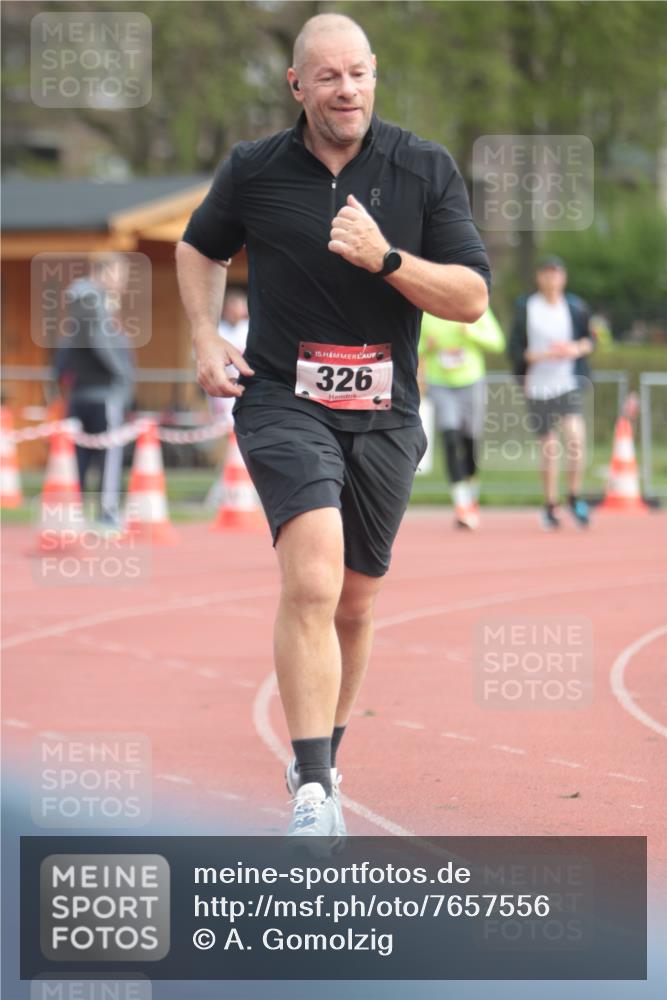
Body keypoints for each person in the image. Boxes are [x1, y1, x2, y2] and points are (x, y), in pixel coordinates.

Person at [176, 13, 490, 837]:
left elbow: (470, 297)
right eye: (327, 76)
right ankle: (313, 792)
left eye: (357, 73)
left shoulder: (423, 167)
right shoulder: (253, 170)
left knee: (353, 601)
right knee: (312, 578)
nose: (345, 89)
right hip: (283, 398)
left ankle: (324, 755)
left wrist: (387, 258)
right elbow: (198, 248)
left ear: (374, 75)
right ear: (297, 86)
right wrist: (207, 337)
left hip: (386, 412)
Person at [509, 256, 594, 530]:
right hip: (538, 385)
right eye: (547, 273)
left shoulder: (575, 306)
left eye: (557, 273)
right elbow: (515, 349)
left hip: (567, 382)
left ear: (563, 277)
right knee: (550, 448)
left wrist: (574, 349)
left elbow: (589, 340)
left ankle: (574, 496)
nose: (552, 278)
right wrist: (536, 355)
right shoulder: (527, 307)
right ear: (539, 277)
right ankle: (550, 503)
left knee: (576, 439)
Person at [54, 253, 135, 527]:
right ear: (107, 271)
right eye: (120, 274)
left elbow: (66, 344)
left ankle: (73, 515)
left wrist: (58, 376)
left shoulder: (81, 303)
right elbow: (99, 340)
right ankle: (107, 513)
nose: (123, 282)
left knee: (79, 455)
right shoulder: (93, 300)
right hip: (103, 392)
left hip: (80, 391)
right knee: (108, 454)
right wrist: (121, 373)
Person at [418, 308, 504, 529]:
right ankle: (461, 503)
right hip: (440, 384)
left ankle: (471, 491)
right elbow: (410, 344)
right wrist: (425, 347)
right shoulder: (427, 311)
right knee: (450, 437)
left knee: (470, 441)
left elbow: (497, 342)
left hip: (471, 382)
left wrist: (471, 333)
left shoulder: (473, 307)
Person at [204, 289, 249, 508]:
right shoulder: (217, 331)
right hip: (223, 397)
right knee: (230, 443)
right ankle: (224, 491)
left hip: (247, 391)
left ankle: (238, 490)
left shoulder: (250, 329)